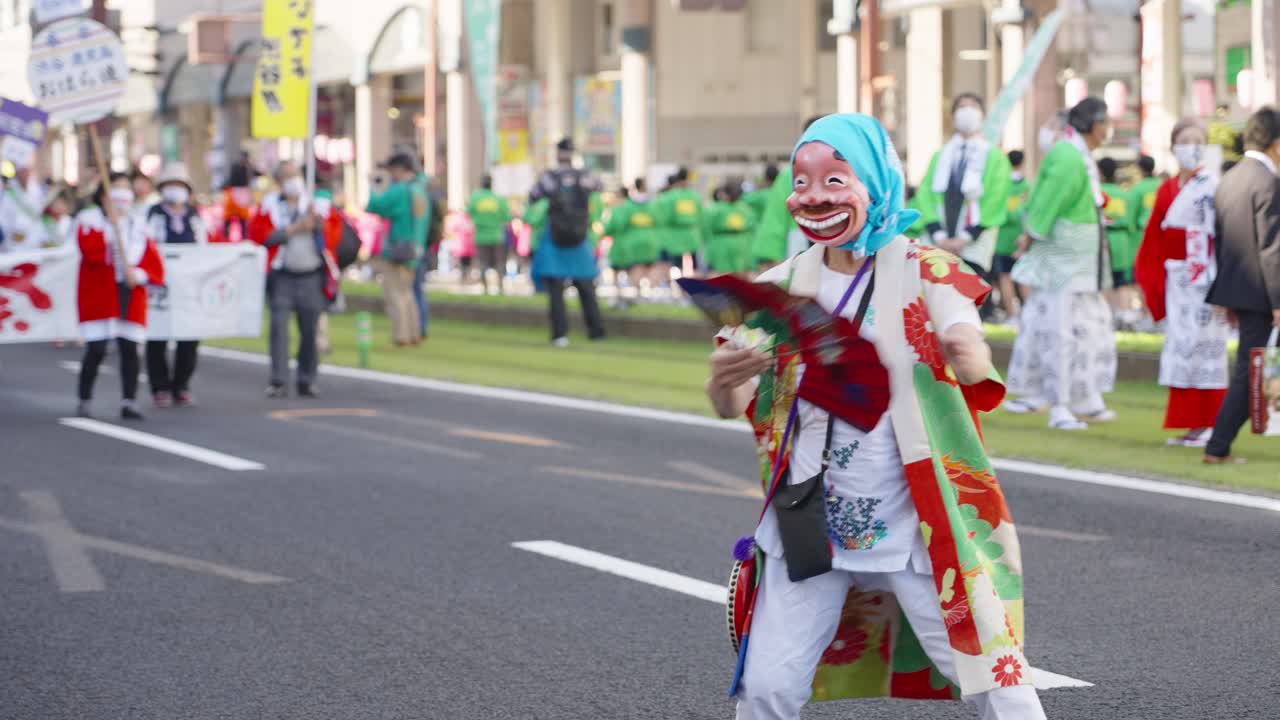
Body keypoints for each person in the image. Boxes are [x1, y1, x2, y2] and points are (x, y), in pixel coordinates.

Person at [713, 113, 1045, 720]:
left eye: (836, 180)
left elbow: (968, 346)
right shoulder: (779, 289)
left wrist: (967, 353)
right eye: (803, 181)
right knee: (766, 687)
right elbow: (735, 405)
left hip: (914, 519)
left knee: (992, 674)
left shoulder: (926, 270)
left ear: (875, 181)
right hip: (809, 518)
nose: (815, 197)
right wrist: (722, 383)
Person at [1005, 96, 1118, 430]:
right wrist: (1031, 233)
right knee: (1059, 331)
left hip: (1078, 257)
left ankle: (1083, 397)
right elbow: (1046, 200)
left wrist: (1032, 232)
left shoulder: (1076, 154)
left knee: (1084, 327)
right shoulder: (1068, 154)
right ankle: (1058, 403)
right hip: (1063, 259)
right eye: (1107, 122)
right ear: (1096, 125)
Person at [1133, 119, 1230, 448]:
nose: (1192, 146)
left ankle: (1211, 422)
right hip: (1177, 279)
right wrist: (1153, 282)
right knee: (1183, 349)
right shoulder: (1166, 189)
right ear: (1173, 147)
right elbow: (1153, 240)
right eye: (1185, 140)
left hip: (1208, 278)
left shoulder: (1213, 185)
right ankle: (1190, 422)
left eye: (1198, 140)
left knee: (1208, 350)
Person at [1203, 106, 1280, 463]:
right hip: (1263, 294)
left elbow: (1222, 239)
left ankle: (1219, 444)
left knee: (1249, 369)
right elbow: (1271, 248)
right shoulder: (1268, 182)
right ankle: (1217, 446)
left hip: (1239, 289)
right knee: (1251, 372)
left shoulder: (1230, 177)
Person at [75, 172, 165, 420]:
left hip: (130, 291)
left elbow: (153, 263)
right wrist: (110, 232)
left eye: (126, 188)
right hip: (100, 291)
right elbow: (89, 251)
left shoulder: (138, 224)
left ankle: (129, 400)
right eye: (116, 188)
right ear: (104, 194)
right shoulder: (89, 219)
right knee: (97, 348)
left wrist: (139, 274)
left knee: (129, 347)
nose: (122, 194)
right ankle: (84, 397)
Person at [914, 93, 1012, 312]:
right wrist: (938, 232)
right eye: (961, 107)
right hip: (938, 240)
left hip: (974, 243)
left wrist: (965, 237)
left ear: (982, 115)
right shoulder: (941, 155)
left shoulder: (994, 156)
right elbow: (925, 194)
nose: (967, 112)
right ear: (953, 116)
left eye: (973, 107)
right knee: (933, 303)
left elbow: (996, 198)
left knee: (966, 304)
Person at [249, 161, 328, 398]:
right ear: (279, 182)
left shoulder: (316, 205)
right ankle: (278, 380)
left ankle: (307, 378)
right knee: (279, 328)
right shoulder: (269, 207)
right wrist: (293, 229)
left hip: (310, 274)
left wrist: (318, 224)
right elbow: (260, 236)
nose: (293, 181)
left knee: (309, 330)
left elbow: (333, 237)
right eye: (287, 177)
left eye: (296, 176)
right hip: (282, 275)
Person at [528, 137, 606, 346]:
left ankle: (559, 333)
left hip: (555, 237)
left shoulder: (549, 178)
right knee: (586, 285)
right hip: (580, 237)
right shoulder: (585, 176)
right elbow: (600, 187)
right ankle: (596, 330)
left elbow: (533, 196)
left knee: (556, 288)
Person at [144, 163, 209, 408]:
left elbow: (205, 247)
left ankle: (181, 384)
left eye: (179, 185)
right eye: (171, 185)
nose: (175, 190)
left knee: (189, 336)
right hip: (160, 283)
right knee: (157, 335)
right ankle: (159, 386)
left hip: (188, 284)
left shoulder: (194, 216)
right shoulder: (153, 214)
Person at [366, 153, 426, 346]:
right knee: (408, 294)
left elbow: (375, 205)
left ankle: (401, 335)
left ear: (399, 169)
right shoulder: (419, 189)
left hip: (398, 248)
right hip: (415, 248)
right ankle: (414, 332)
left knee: (395, 294)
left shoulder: (400, 190)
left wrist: (375, 185)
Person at [752, 116, 823, 270]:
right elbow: (775, 217)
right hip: (801, 245)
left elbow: (774, 219)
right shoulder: (790, 175)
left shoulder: (790, 174)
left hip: (805, 245)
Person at [1098, 157, 1140, 321]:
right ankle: (1124, 313)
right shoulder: (1124, 194)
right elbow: (1131, 220)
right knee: (1122, 280)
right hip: (1122, 238)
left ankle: (1107, 313)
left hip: (1104, 237)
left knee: (1105, 278)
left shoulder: (1098, 191)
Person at [605, 180, 662, 301]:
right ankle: (651, 294)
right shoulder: (653, 205)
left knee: (635, 268)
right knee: (650, 268)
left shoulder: (624, 207)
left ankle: (637, 294)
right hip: (651, 240)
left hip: (630, 242)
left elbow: (618, 225)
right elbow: (659, 222)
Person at [993, 150, 1030, 320]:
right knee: (1023, 275)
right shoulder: (1027, 186)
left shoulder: (1001, 185)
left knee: (1005, 276)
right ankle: (1030, 311)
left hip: (1002, 236)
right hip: (1021, 235)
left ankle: (1012, 314)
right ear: (1022, 163)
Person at [466, 174, 512, 294]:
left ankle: (485, 288)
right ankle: (501, 287)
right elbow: (507, 216)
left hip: (480, 236)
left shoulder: (475, 198)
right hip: (497, 235)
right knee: (500, 263)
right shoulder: (499, 198)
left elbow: (468, 213)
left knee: (482, 263)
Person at [656, 167, 705, 278]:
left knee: (673, 264)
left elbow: (662, 218)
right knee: (693, 264)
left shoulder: (668, 197)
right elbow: (701, 217)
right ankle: (693, 288)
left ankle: (675, 288)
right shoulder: (695, 196)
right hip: (692, 235)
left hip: (673, 236)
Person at [703, 181, 756, 274]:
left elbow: (706, 228)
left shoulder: (715, 208)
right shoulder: (745, 208)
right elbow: (752, 228)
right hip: (740, 243)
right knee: (738, 273)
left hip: (723, 243)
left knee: (724, 274)